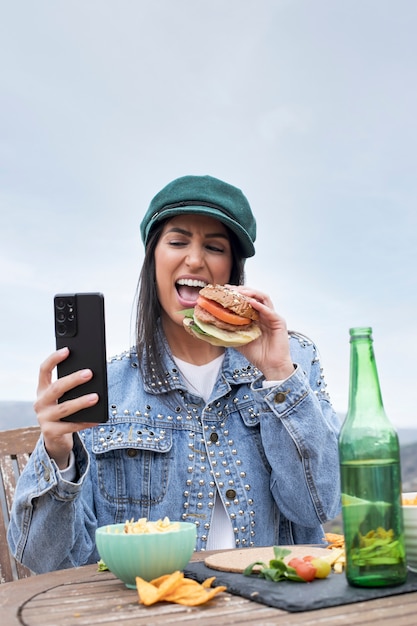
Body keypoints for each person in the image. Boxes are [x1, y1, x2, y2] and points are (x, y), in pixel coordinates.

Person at [8, 175, 341, 574]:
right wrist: (58, 453)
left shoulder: (293, 358)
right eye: (178, 241)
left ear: (232, 270)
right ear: (153, 260)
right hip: (151, 608)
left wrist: (277, 375)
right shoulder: (106, 387)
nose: (195, 260)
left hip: (270, 601)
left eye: (214, 247)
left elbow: (317, 505)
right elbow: (50, 560)